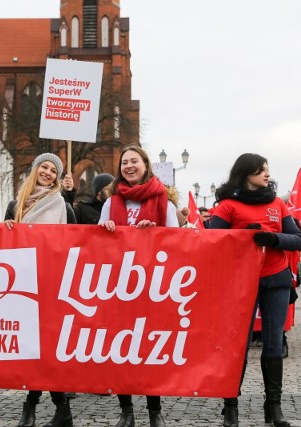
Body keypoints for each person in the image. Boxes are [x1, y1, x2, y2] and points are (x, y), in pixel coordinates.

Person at [210, 153, 301, 427]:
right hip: (240, 283)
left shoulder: (277, 202)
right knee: (238, 343)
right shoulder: (227, 205)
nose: (267, 174)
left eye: (267, 170)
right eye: (261, 170)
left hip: (276, 278)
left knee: (274, 343)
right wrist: (242, 237)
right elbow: (213, 242)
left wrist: (273, 238)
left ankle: (273, 407)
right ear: (245, 173)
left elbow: (298, 240)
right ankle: (231, 407)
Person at [98, 145, 177, 427]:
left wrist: (153, 233)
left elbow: (176, 242)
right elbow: (97, 242)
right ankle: (127, 411)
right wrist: (106, 229)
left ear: (145, 164)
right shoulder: (112, 201)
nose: (128, 166)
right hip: (118, 285)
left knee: (149, 349)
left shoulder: (162, 199)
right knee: (121, 351)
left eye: (134, 161)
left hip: (152, 284)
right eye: (124, 163)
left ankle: (154, 411)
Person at [4, 153, 71, 427]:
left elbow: (72, 243)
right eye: (43, 166)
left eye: (53, 170)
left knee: (46, 350)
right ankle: (58, 410)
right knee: (31, 349)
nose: (47, 172)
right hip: (22, 284)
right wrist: (6, 228)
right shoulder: (15, 204)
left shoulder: (62, 205)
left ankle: (33, 409)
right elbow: (4, 245)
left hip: (50, 283)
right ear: (34, 169)